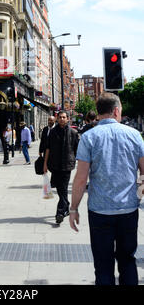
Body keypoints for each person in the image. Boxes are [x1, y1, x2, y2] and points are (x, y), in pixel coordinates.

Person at [69, 92, 144, 286]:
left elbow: (80, 178)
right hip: (128, 209)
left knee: (103, 265)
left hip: (99, 211)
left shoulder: (88, 137)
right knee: (128, 261)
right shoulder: (134, 135)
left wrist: (73, 208)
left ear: (100, 112)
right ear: (116, 111)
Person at [43, 110, 79, 224]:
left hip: (67, 165)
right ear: (57, 119)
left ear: (67, 119)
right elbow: (47, 148)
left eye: (64, 117)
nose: (62, 119)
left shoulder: (73, 133)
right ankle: (66, 206)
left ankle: (59, 213)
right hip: (54, 165)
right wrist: (45, 164)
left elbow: (77, 150)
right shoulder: (53, 132)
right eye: (60, 117)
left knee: (63, 188)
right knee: (60, 189)